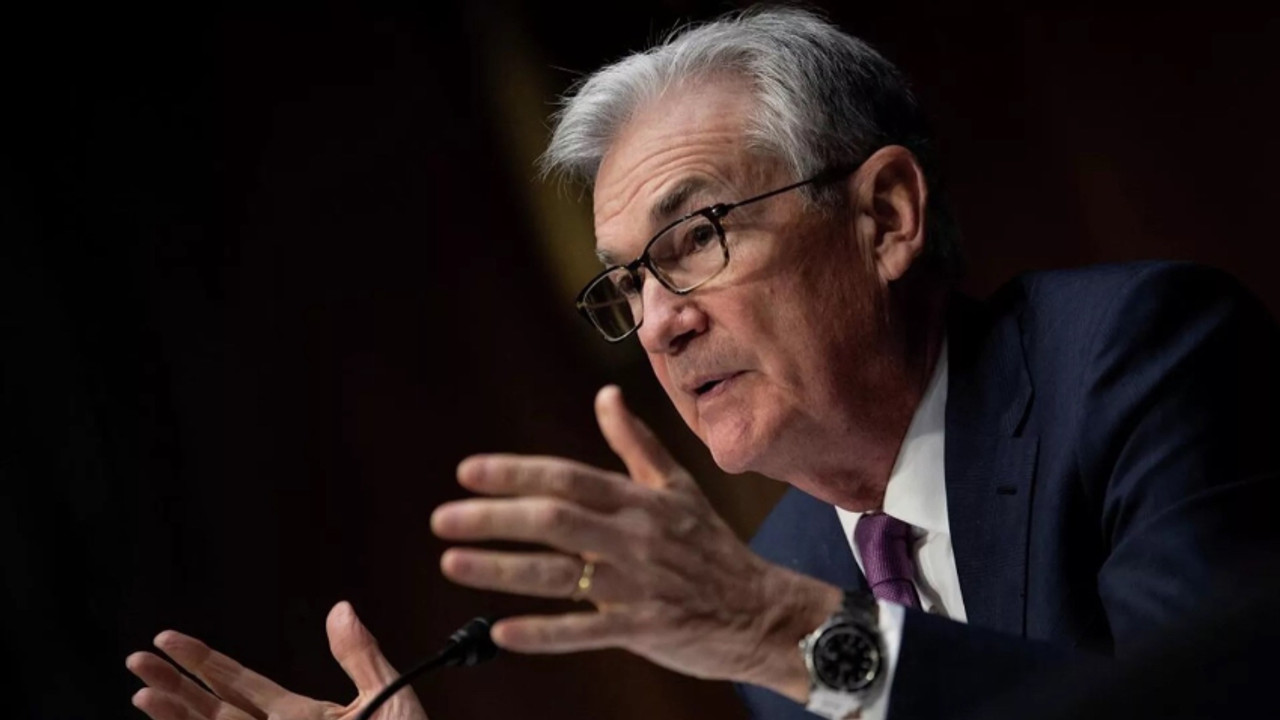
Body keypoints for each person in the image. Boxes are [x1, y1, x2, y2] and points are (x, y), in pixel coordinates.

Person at [126, 6, 1280, 720]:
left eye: (693, 237)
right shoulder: (784, 562)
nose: (658, 324)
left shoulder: (1138, 360)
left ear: (884, 217)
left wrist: (786, 636)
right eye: (627, 283)